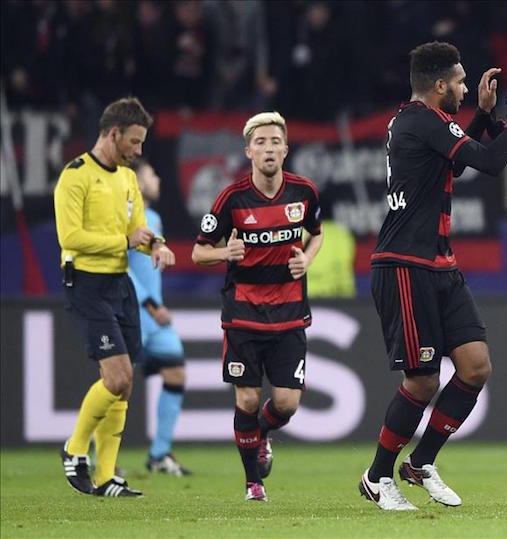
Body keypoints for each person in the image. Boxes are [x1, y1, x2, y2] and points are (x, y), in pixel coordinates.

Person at [359, 41, 507, 511]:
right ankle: (377, 475)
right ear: (440, 85)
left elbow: (458, 161)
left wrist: (487, 117)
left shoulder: (423, 121)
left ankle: (421, 461)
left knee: (475, 366)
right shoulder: (420, 121)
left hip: (440, 264)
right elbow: (488, 165)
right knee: (423, 382)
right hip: (405, 265)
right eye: (462, 82)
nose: (468, 88)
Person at [191, 111, 323, 502]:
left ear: (285, 149)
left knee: (286, 404)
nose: (268, 148)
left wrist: (308, 259)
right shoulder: (231, 199)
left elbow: (317, 235)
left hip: (289, 312)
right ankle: (254, 483)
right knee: (247, 399)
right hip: (244, 313)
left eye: (275, 142)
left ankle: (262, 433)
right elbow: (199, 251)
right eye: (260, 142)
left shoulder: (305, 192)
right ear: (248, 151)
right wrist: (223, 252)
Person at [55, 96, 176, 497]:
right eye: (135, 142)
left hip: (118, 283)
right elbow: (71, 238)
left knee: (124, 386)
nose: (139, 151)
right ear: (113, 134)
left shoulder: (126, 178)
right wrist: (126, 240)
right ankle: (74, 449)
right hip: (86, 283)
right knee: (118, 375)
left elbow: (139, 229)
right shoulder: (75, 176)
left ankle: (107, 477)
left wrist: (155, 245)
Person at [128, 158, 191, 477]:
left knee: (176, 372)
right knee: (115, 384)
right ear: (137, 183)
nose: (159, 180)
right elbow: (121, 266)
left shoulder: (152, 217)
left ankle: (159, 454)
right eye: (153, 174)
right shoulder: (127, 219)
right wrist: (151, 304)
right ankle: (92, 455)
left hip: (155, 316)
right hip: (132, 313)